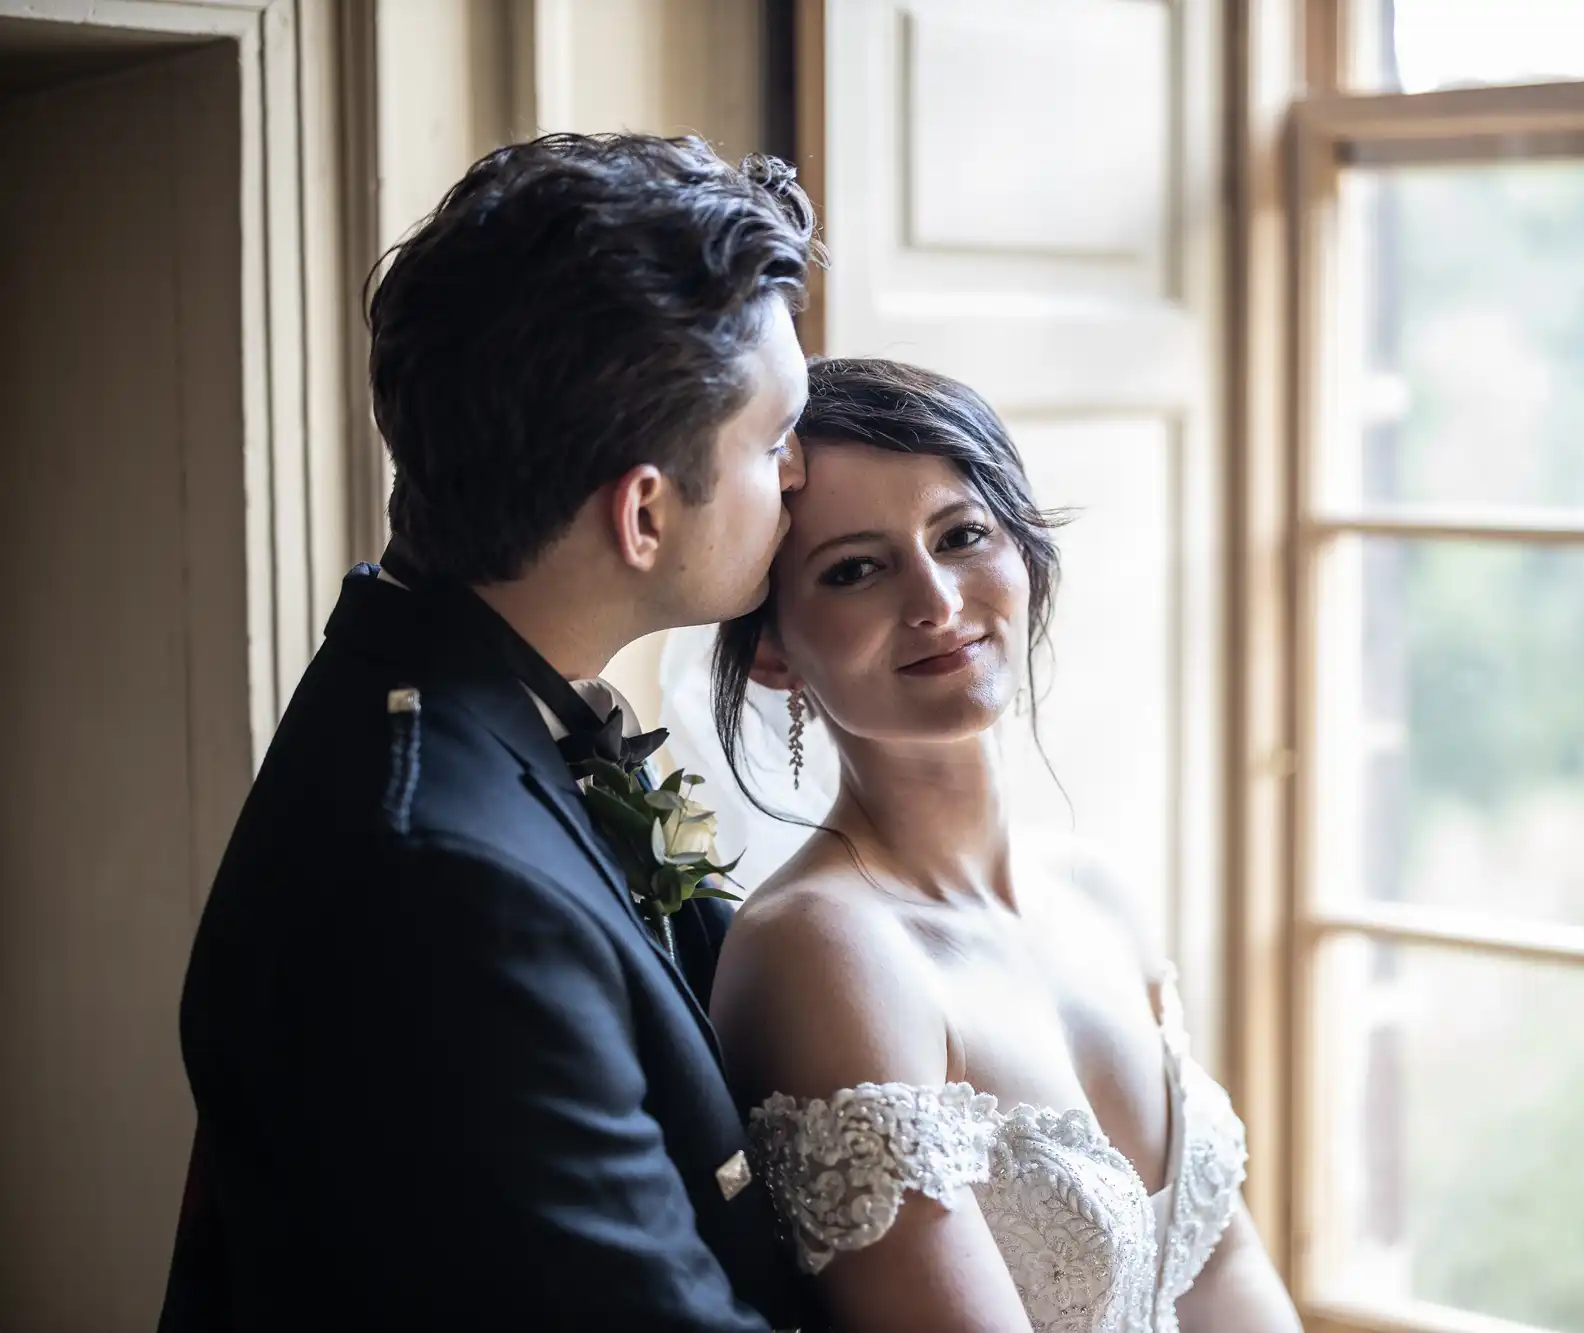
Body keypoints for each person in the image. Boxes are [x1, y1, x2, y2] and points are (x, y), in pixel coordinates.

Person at [163, 133, 824, 1332]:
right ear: (641, 512)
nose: (798, 481)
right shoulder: (448, 889)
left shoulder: (457, 693)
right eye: (774, 440)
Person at [707, 358, 1303, 1333]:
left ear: (1021, 553)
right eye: (855, 568)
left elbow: (1222, 1270)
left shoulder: (1095, 894)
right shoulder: (824, 947)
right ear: (771, 650)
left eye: (961, 535)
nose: (936, 600)